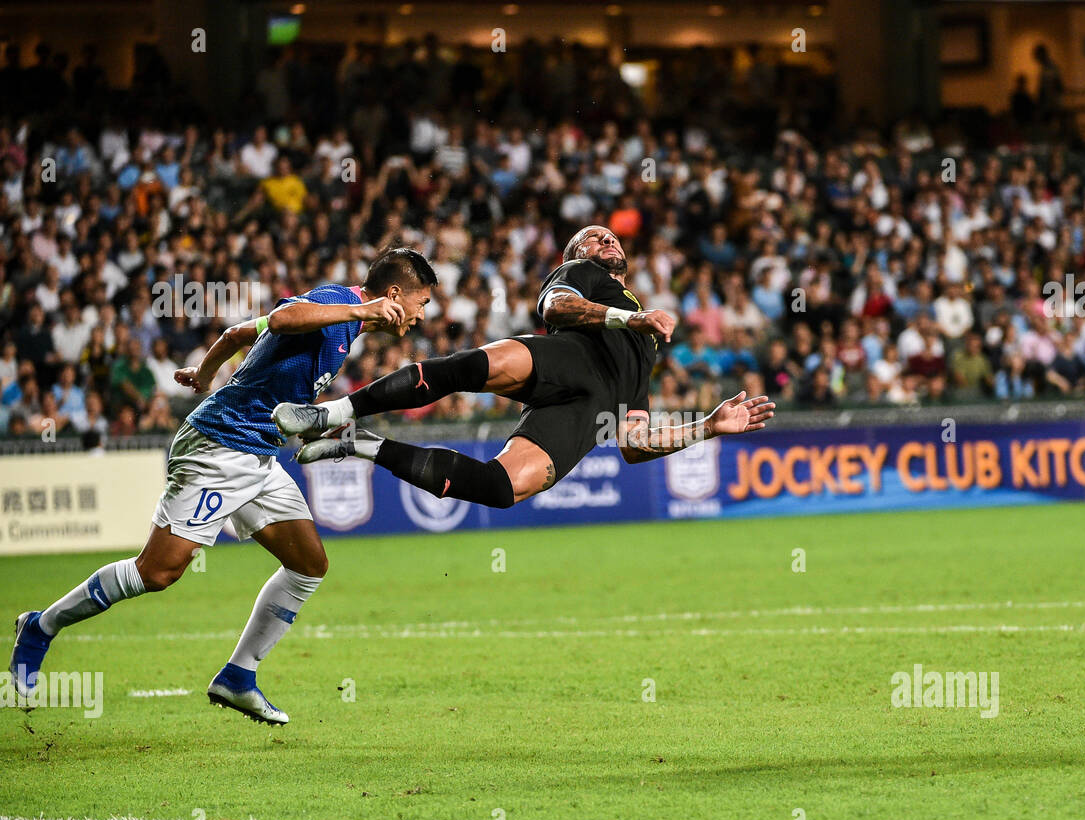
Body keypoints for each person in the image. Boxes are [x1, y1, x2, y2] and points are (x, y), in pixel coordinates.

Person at [9, 248, 426, 725]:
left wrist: (203, 375)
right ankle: (41, 627)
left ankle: (238, 677)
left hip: (259, 455)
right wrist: (358, 309)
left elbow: (237, 334)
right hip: (218, 447)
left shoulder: (347, 325)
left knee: (309, 564)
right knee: (157, 572)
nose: (420, 315)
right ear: (394, 295)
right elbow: (286, 317)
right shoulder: (338, 303)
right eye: (421, 302)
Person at [274, 225, 776, 507]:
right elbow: (554, 307)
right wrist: (633, 316)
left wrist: (708, 426)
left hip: (595, 405)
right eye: (595, 238)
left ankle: (359, 443)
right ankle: (333, 413)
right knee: (464, 370)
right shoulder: (582, 275)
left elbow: (634, 445)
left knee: (501, 488)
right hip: (569, 357)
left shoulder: (646, 348)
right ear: (574, 254)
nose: (609, 243)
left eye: (613, 239)